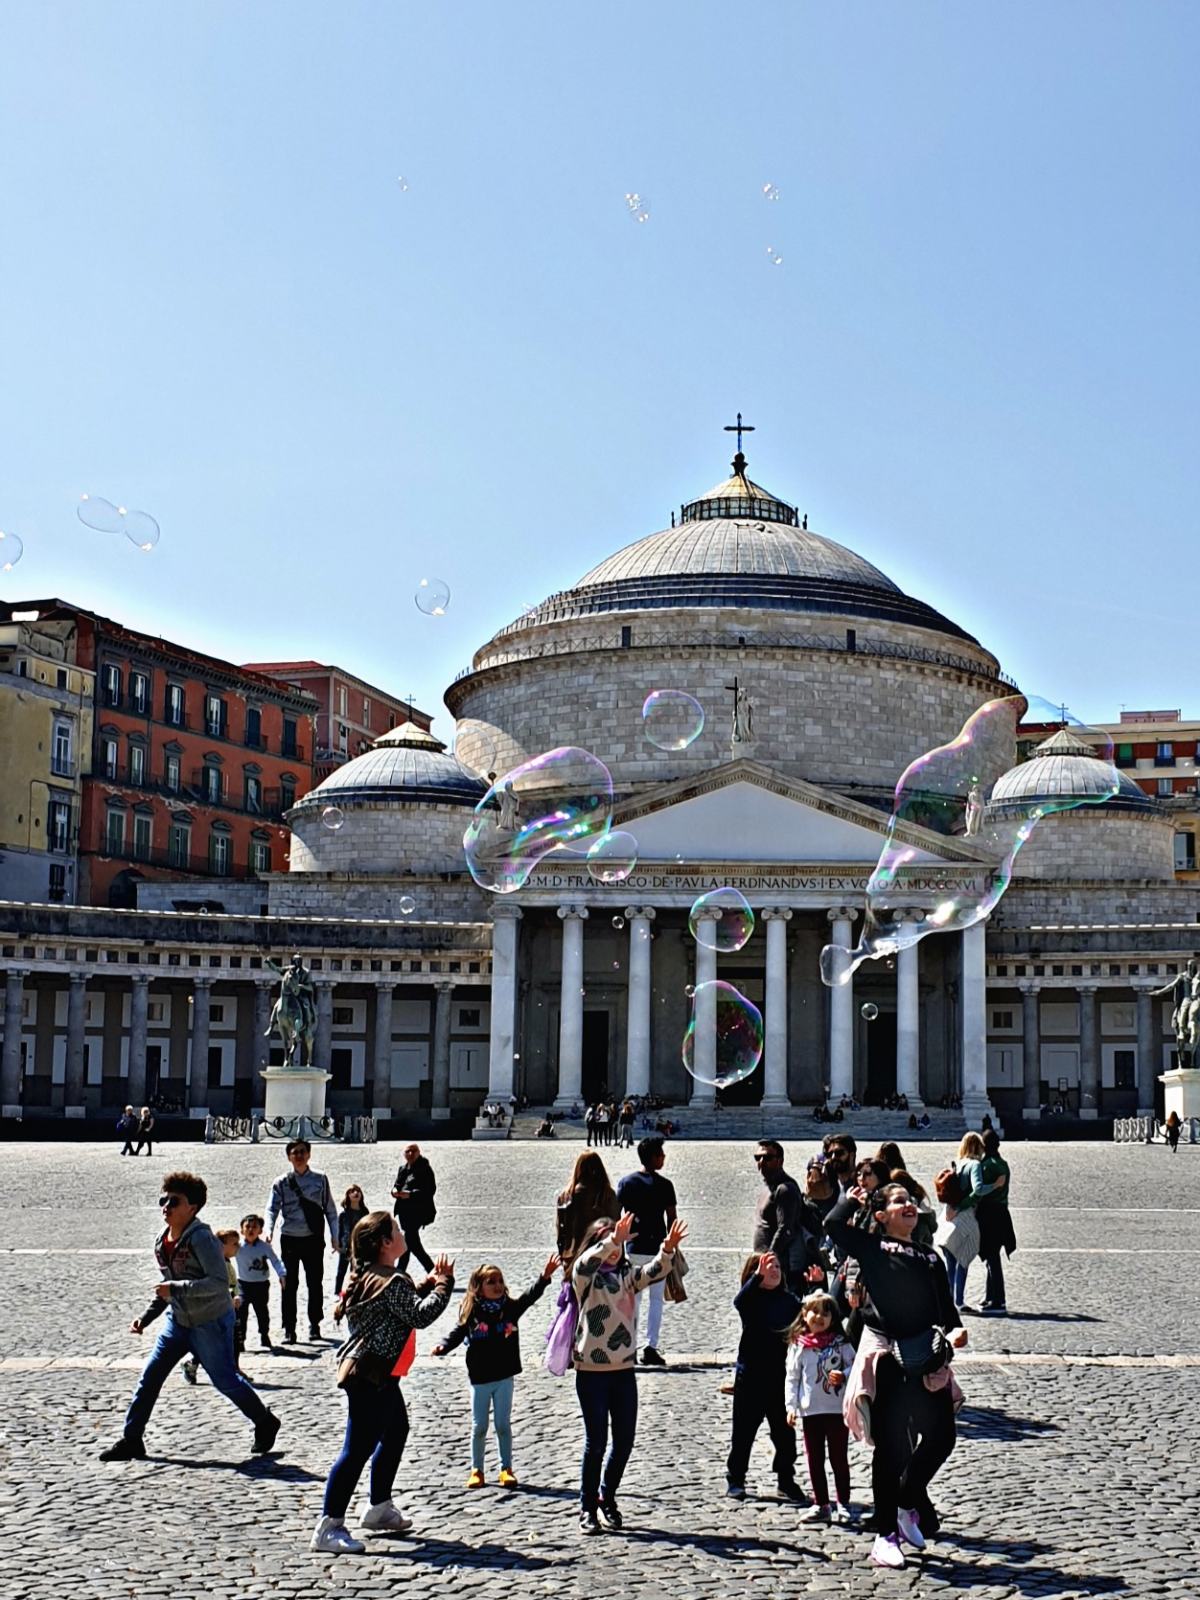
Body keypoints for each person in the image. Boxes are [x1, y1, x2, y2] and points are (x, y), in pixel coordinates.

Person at [826, 1182, 968, 1568]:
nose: (908, 1205)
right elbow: (834, 1227)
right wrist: (846, 1201)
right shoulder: (874, 1248)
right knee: (892, 1447)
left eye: (909, 1200)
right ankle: (885, 1534)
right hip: (888, 1356)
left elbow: (946, 1312)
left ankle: (907, 1500)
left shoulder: (929, 1256)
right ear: (881, 1216)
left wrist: (955, 1332)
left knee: (942, 1436)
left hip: (925, 1356)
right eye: (897, 1201)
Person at [99, 1171, 280, 1462]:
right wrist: (146, 1318)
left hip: (210, 1323)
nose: (166, 1206)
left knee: (225, 1381)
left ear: (192, 1208)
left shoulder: (203, 1239)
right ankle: (132, 1439)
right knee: (150, 1378)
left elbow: (219, 1283)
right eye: (164, 1199)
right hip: (178, 1323)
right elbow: (166, 1289)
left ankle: (264, 1421)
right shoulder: (162, 1241)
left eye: (174, 1201)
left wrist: (175, 1289)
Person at [312, 1211, 454, 1555]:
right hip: (371, 1377)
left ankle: (378, 1507)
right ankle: (328, 1526)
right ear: (385, 1243)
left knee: (395, 1431)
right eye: (395, 1228)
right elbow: (419, 1315)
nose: (402, 1231)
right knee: (356, 1450)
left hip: (378, 1374)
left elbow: (395, 1303)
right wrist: (443, 1284)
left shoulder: (371, 1275)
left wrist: (423, 1283)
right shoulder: (392, 1281)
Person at [571, 1211, 687, 1534]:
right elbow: (582, 1265)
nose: (617, 1245)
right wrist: (612, 1239)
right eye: (609, 1238)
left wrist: (667, 1249)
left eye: (621, 1239)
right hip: (591, 1371)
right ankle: (587, 1506)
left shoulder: (626, 1275)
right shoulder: (587, 1278)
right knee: (596, 1441)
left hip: (623, 1370)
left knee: (624, 1441)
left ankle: (606, 1495)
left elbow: (655, 1272)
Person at [432, 1253, 558, 1487]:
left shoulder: (509, 1309)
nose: (498, 1285)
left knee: (503, 1424)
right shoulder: (472, 1311)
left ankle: (505, 1468)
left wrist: (544, 1277)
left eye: (500, 1280)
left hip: (504, 1376)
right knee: (479, 1426)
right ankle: (476, 1470)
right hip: (480, 1377)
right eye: (491, 1282)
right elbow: (458, 1332)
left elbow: (528, 1299)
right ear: (478, 1288)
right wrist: (444, 1346)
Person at [726, 1250, 806, 1503]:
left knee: (784, 1434)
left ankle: (785, 1479)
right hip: (750, 1376)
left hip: (780, 1377)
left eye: (777, 1267)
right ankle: (736, 1479)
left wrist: (816, 1284)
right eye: (767, 1266)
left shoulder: (787, 1300)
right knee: (743, 1432)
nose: (774, 1270)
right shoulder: (751, 1300)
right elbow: (739, 1302)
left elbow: (809, 1315)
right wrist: (756, 1279)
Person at [785, 1291, 856, 1523]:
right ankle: (821, 1503)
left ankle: (843, 1503)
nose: (819, 1317)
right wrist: (791, 1406)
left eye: (825, 1313)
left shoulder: (841, 1343)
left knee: (839, 1459)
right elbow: (792, 1377)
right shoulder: (799, 1345)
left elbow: (855, 1366)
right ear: (804, 1315)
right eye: (814, 1311)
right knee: (814, 1460)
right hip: (810, 1411)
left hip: (836, 1410)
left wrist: (843, 1375)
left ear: (833, 1319)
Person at [265, 1139, 338, 1343]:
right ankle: (289, 1328)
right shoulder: (280, 1182)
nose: (299, 1155)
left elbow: (330, 1210)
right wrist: (268, 1230)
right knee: (289, 1284)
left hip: (313, 1239)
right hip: (290, 1238)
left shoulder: (320, 1179)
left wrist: (335, 1235)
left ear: (309, 1155)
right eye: (295, 1152)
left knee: (315, 1283)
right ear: (289, 1157)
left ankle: (315, 1325)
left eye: (302, 1152)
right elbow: (272, 1208)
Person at [616, 1135, 678, 1367]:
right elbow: (672, 1218)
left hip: (633, 1248)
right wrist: (672, 1247)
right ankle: (650, 1347)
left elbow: (616, 1216)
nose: (663, 1158)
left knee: (632, 1299)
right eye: (661, 1154)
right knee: (656, 1300)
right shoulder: (665, 1185)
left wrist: (617, 1245)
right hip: (658, 1249)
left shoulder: (626, 1183)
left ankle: (628, 1346)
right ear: (653, 1157)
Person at [937, 1131, 1006, 1310]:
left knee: (950, 1262)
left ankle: (949, 1301)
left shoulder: (959, 1164)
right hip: (965, 1217)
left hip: (947, 1215)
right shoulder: (974, 1164)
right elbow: (979, 1189)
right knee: (964, 1259)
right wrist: (995, 1185)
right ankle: (959, 1301)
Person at [752, 1140, 819, 1294]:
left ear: (780, 1160)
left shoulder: (785, 1189)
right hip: (767, 1264)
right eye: (758, 1158)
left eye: (767, 1158)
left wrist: (770, 1259)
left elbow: (786, 1229)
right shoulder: (769, 1186)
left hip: (781, 1268)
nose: (761, 1162)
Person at [184, 1228, 243, 1382]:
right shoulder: (214, 1264)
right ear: (221, 1246)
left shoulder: (227, 1262)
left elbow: (233, 1283)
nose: (238, 1246)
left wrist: (236, 1295)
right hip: (217, 1309)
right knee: (213, 1342)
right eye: (234, 1244)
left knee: (233, 1339)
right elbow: (214, 1287)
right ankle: (192, 1364)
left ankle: (234, 1369)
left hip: (230, 1306)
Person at [555, 1151, 617, 1274]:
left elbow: (561, 1228)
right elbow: (615, 1225)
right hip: (603, 1254)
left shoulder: (567, 1195)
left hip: (574, 1253)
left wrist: (562, 1252)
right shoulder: (607, 1194)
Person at [976, 1130, 1015, 1315]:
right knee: (993, 1256)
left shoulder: (986, 1166)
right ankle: (990, 1296)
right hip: (1002, 1214)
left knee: (991, 1258)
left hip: (989, 1214)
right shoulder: (1003, 1164)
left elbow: (980, 1191)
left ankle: (998, 1300)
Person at [236, 1212, 286, 1351]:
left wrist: (282, 1274)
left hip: (261, 1285)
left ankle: (264, 1334)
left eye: (254, 1227)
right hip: (243, 1284)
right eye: (248, 1227)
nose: (251, 1230)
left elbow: (275, 1261)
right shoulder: (238, 1247)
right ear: (242, 1230)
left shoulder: (264, 1247)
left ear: (260, 1230)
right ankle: (241, 1339)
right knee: (241, 1312)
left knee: (262, 1311)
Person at [391, 1144, 437, 1274]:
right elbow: (397, 1184)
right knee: (410, 1244)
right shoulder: (403, 1169)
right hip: (404, 1212)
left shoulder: (425, 1168)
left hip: (417, 1211)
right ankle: (432, 1272)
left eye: (413, 1151)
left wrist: (411, 1194)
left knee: (412, 1243)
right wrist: (394, 1191)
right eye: (407, 1151)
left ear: (419, 1152)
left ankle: (401, 1272)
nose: (410, 1154)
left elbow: (430, 1190)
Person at [336, 1185, 369, 1297]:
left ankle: (355, 1292)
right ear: (348, 1195)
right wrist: (337, 1244)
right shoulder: (343, 1214)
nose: (356, 1193)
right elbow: (338, 1230)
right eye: (352, 1191)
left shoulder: (365, 1212)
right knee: (341, 1270)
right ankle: (337, 1292)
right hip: (346, 1247)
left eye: (358, 1191)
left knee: (357, 1270)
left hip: (360, 1246)